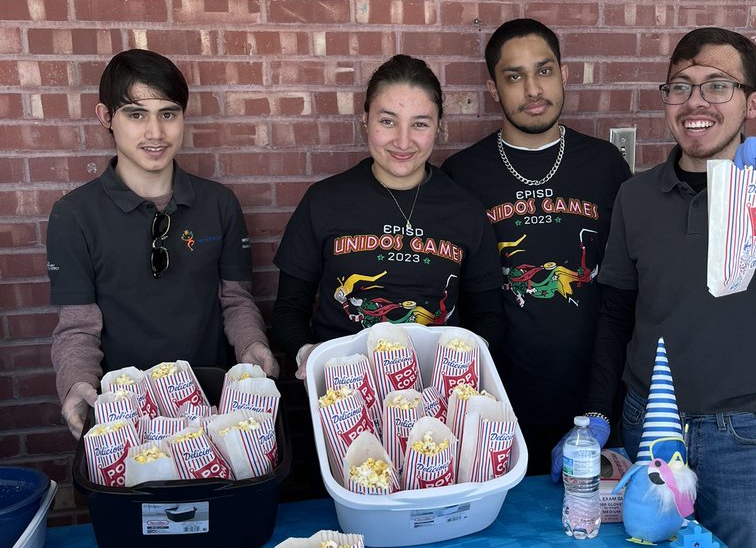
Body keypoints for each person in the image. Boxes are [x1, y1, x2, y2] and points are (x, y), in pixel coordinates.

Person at [567, 26, 756, 548]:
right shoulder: (636, 195)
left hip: (745, 432)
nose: (696, 101)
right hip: (649, 424)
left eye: (717, 86)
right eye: (681, 86)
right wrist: (600, 411)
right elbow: (615, 314)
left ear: (752, 101)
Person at [47, 49, 279, 438]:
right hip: (126, 417)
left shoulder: (219, 203)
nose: (155, 133)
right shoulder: (73, 215)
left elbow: (235, 301)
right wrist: (75, 385)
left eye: (167, 114)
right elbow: (78, 328)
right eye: (136, 114)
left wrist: (252, 344)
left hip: (215, 407)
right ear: (107, 118)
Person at [442, 18, 631, 470]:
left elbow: (625, 288)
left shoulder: (604, 164)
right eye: (514, 76)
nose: (532, 89)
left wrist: (605, 403)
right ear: (493, 88)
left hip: (596, 395)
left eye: (544, 71)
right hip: (495, 401)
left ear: (564, 74)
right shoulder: (463, 175)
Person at [272, 54, 504, 378]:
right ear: (365, 120)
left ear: (439, 127)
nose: (403, 141)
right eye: (388, 121)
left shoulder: (465, 210)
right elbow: (288, 310)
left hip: (435, 393)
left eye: (420, 124)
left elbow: (489, 315)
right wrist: (306, 353)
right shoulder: (324, 201)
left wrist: (464, 366)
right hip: (343, 392)